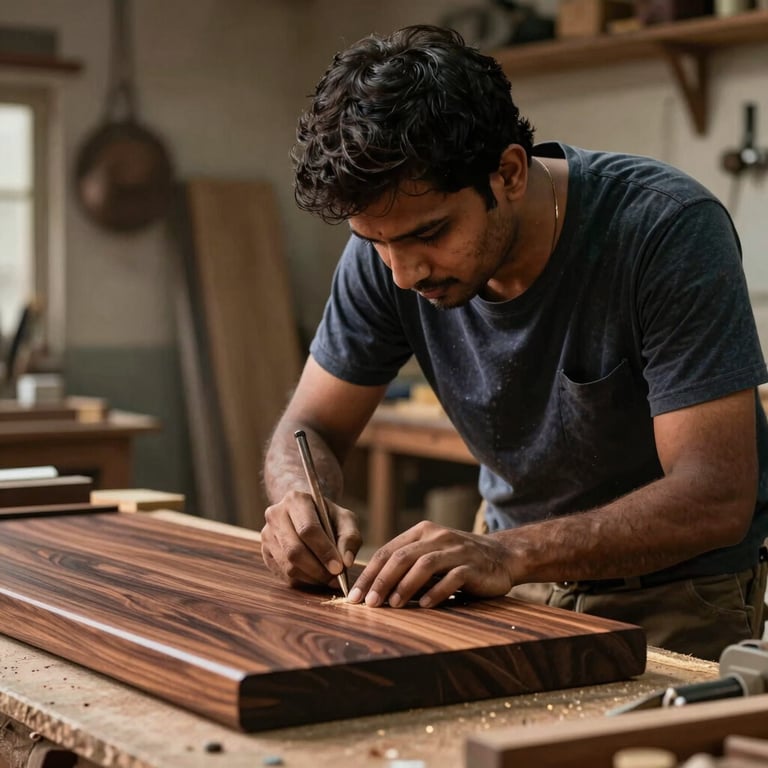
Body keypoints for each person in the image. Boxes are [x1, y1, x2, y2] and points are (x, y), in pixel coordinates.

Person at [260, 24, 768, 661]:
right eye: (376, 243)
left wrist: (508, 553)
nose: (403, 272)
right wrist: (297, 499)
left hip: (675, 591)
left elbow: (715, 495)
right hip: (498, 584)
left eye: (431, 234)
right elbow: (309, 426)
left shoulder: (663, 230)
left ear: (508, 173)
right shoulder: (388, 252)